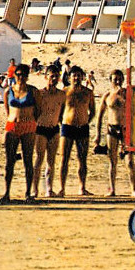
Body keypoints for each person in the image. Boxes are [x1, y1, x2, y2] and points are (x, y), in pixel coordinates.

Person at [95, 69, 135, 198]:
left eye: (120, 79)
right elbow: (99, 116)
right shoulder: (107, 95)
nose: (118, 81)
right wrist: (97, 135)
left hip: (125, 130)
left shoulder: (128, 94)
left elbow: (134, 112)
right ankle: (112, 188)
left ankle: (133, 189)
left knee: (129, 161)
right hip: (111, 129)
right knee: (112, 160)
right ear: (111, 80)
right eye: (115, 79)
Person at [1, 64, 39, 203]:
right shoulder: (8, 91)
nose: (20, 77)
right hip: (12, 125)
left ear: (27, 76)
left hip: (28, 126)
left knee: (27, 160)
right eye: (18, 74)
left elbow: (38, 110)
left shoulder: (33, 91)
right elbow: (7, 109)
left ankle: (28, 193)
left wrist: (29, 120)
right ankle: (6, 193)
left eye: (23, 74)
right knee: (9, 161)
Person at [57, 66, 95, 197]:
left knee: (82, 159)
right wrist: (61, 122)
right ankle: (62, 188)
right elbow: (59, 110)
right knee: (64, 158)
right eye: (74, 76)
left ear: (82, 77)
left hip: (82, 128)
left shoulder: (88, 93)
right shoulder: (64, 92)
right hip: (67, 127)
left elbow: (93, 111)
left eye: (79, 75)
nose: (76, 78)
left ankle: (82, 187)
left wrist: (86, 121)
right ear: (69, 77)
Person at [32, 65, 65, 198]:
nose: (54, 78)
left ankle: (49, 189)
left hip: (54, 128)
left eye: (56, 76)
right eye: (52, 76)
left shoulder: (61, 95)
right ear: (46, 77)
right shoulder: (40, 94)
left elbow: (61, 113)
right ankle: (34, 189)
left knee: (51, 161)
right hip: (41, 129)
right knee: (39, 159)